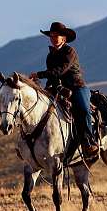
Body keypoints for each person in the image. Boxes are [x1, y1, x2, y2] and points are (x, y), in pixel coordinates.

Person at [30, 21, 99, 155]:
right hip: (59, 88)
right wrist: (46, 88)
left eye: (56, 36)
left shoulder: (69, 51)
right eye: (52, 36)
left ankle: (89, 142)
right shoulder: (50, 56)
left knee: (84, 110)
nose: (53, 38)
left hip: (77, 86)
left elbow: (60, 71)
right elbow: (52, 76)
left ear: (64, 38)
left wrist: (39, 74)